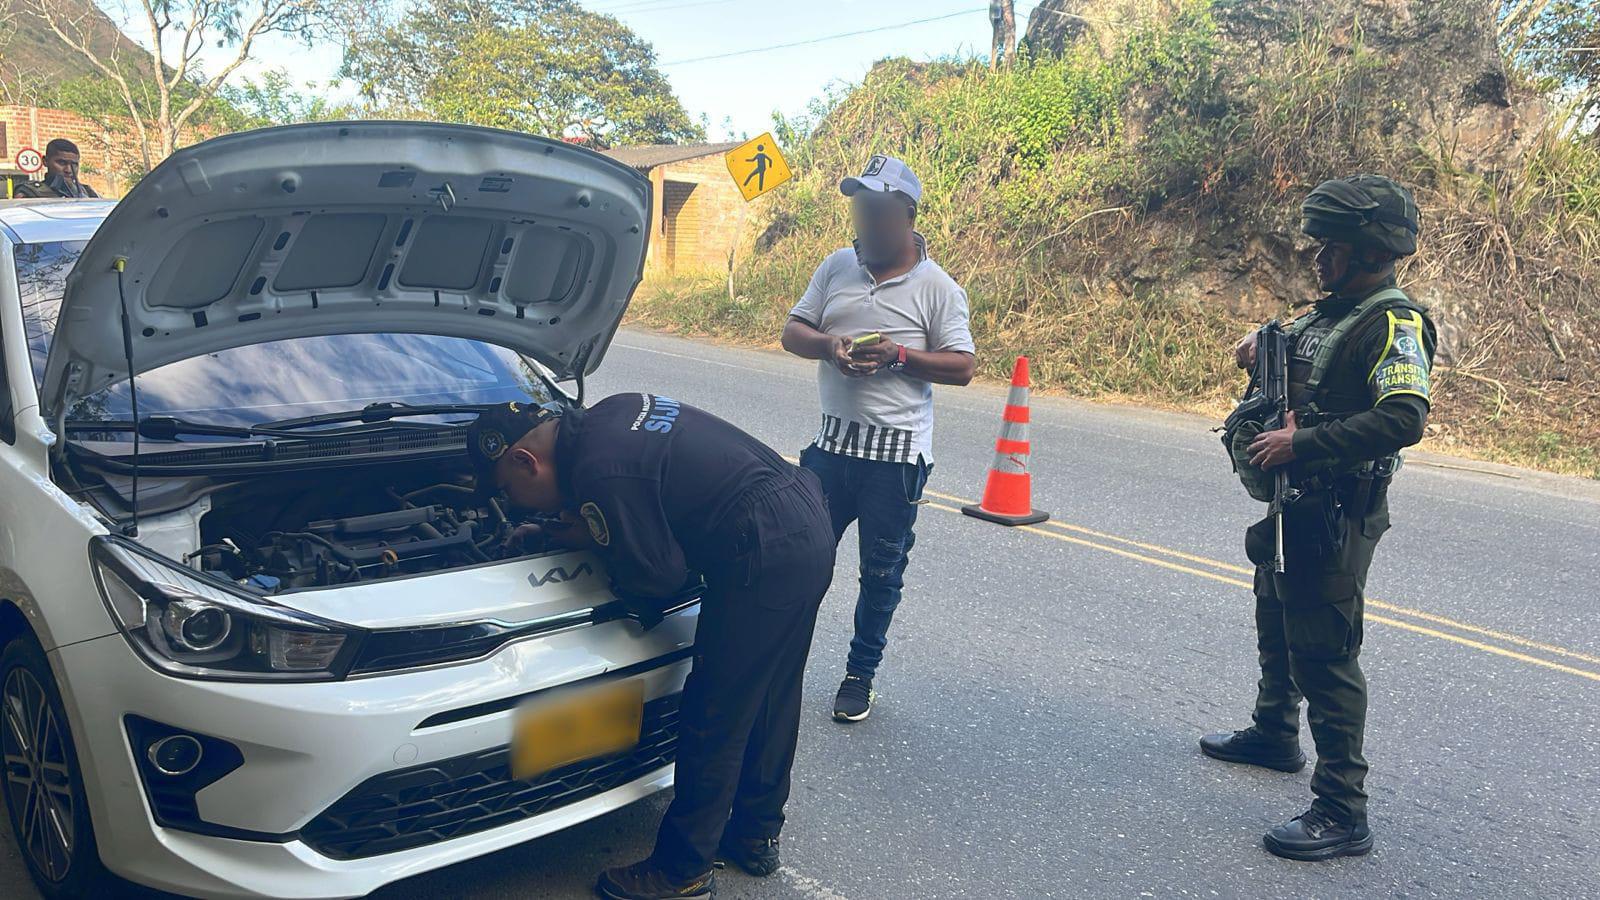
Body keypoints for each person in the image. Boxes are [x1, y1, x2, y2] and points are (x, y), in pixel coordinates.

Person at [466, 396, 836, 900]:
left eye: (509, 491)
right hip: (804, 519)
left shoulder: (601, 471)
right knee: (771, 691)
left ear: (525, 460)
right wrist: (591, 525)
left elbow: (658, 576)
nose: (515, 504)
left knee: (714, 710)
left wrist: (608, 548)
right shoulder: (610, 414)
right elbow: (648, 486)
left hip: (762, 547)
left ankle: (681, 871)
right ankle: (755, 833)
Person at [1204, 175, 1436, 862]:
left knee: (1325, 652)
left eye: (1329, 246)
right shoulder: (1329, 313)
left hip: (1337, 510)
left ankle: (1343, 807)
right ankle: (1275, 732)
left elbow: (1404, 417)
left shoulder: (1391, 322)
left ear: (1369, 250)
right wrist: (1260, 344)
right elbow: (1294, 351)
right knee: (1275, 613)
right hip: (1293, 503)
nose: (1316, 257)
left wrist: (1300, 443)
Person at [780, 154, 975, 723]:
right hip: (829, 450)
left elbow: (962, 366)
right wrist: (829, 348)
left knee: (881, 574)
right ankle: (781, 666)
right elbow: (794, 331)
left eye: (876, 212)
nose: (864, 223)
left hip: (895, 460)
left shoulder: (938, 288)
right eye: (859, 210)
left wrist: (898, 356)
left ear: (907, 215)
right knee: (797, 560)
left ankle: (859, 676)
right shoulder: (837, 265)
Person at [13, 139, 100, 199]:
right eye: (62, 163)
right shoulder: (30, 192)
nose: (68, 170)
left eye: (74, 164)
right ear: (45, 161)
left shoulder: (87, 192)